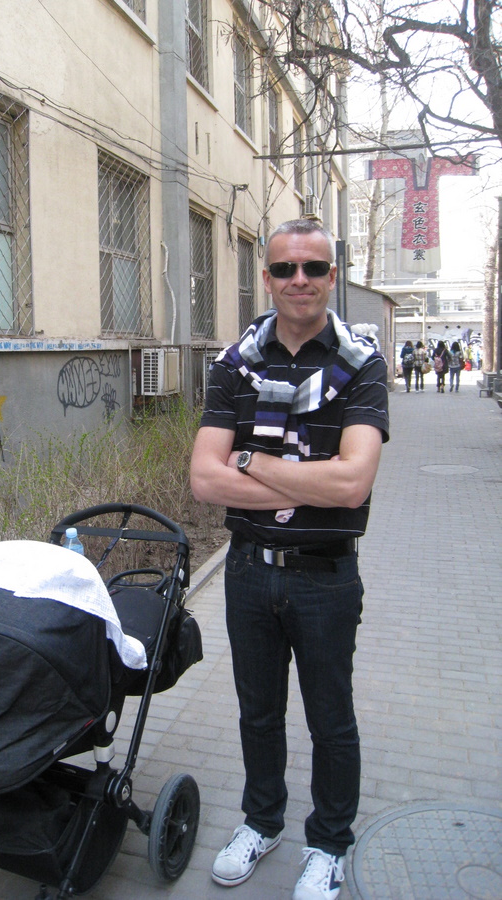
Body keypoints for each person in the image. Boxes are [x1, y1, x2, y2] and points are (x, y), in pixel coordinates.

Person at [190, 219, 389, 900]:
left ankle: (328, 843)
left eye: (312, 267)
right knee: (257, 713)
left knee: (330, 719)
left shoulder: (362, 365)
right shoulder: (234, 365)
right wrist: (307, 480)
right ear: (266, 277)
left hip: (324, 577)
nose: (298, 279)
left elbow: (352, 484)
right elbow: (204, 479)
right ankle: (261, 822)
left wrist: (249, 459)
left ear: (332, 276)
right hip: (248, 572)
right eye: (283, 268)